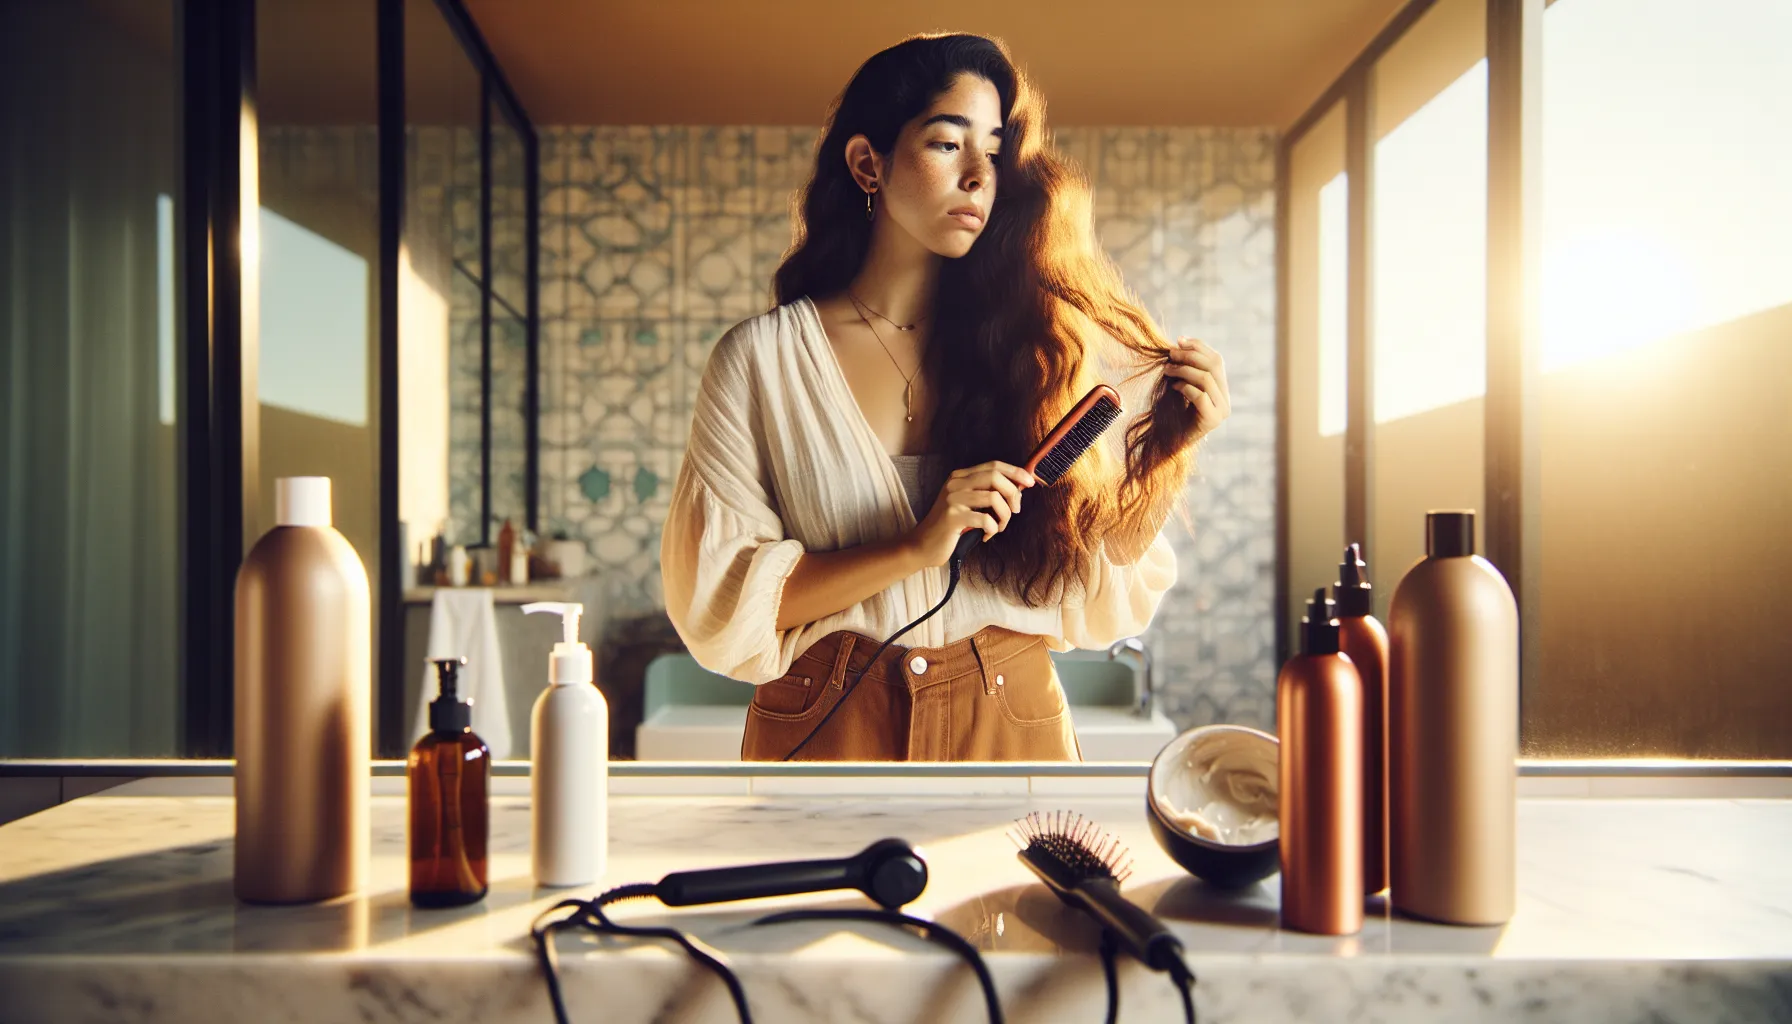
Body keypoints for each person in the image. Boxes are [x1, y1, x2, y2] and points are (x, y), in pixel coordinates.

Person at [660, 33, 1231, 762]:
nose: (977, 177)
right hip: (826, 726)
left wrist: (1165, 458)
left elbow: (1097, 580)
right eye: (945, 143)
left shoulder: (1042, 353)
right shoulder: (760, 361)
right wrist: (914, 546)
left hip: (1012, 721)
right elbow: (729, 599)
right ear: (870, 163)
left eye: (993, 152)